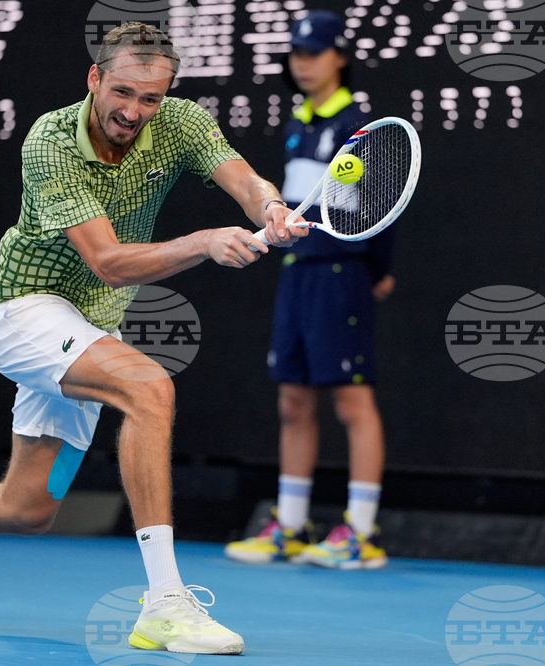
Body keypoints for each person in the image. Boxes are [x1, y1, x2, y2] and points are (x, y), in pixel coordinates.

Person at [0, 22, 308, 655]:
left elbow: (244, 181)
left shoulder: (182, 123)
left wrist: (268, 205)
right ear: (95, 79)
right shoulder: (51, 140)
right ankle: (165, 603)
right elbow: (107, 260)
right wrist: (203, 243)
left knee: (27, 507)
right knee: (148, 387)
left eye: (151, 99)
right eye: (124, 93)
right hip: (19, 312)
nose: (134, 111)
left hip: (87, 324)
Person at [224, 10, 395, 570]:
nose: (303, 63)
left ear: (339, 57)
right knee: (293, 399)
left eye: (314, 53)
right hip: (296, 271)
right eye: (296, 55)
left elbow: (378, 206)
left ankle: (360, 533)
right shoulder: (299, 122)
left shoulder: (359, 125)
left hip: (340, 273)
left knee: (351, 399)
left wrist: (377, 266)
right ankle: (291, 528)